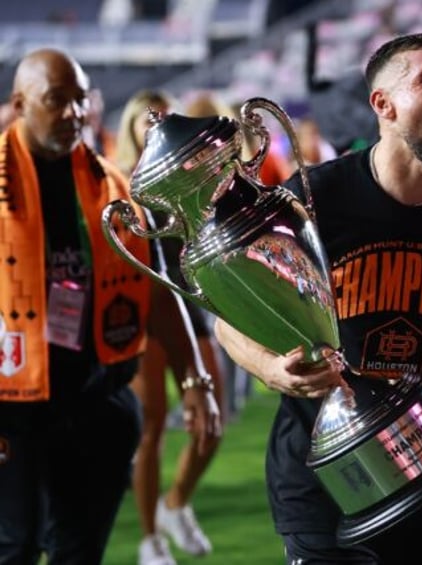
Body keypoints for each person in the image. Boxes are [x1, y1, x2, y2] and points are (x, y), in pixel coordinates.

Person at [213, 32, 422, 564]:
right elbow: (230, 321)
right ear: (383, 104)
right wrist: (271, 369)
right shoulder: (310, 200)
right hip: (319, 470)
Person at [0, 48, 211, 565]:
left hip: (97, 401)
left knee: (80, 551)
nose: (74, 113)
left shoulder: (116, 188)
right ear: (21, 103)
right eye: (57, 100)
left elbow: (157, 290)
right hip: (13, 410)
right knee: (13, 547)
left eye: (81, 99)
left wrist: (195, 379)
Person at [114, 89, 224, 564]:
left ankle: (176, 503)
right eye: (145, 119)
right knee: (151, 427)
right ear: (131, 127)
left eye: (163, 118)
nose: (154, 125)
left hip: (186, 302)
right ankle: (149, 539)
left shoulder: (186, 176)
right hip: (143, 307)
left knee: (211, 422)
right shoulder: (117, 179)